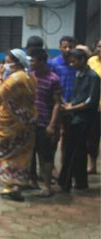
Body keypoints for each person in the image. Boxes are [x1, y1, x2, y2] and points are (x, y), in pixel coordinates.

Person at [0, 49, 37, 202]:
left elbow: (0, 94)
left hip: (10, 122)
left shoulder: (15, 78)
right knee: (21, 154)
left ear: (15, 62)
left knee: (3, 151)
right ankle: (17, 185)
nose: (5, 64)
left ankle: (10, 184)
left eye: (8, 61)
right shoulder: (30, 76)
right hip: (26, 120)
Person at [58, 49, 100, 192]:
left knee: (76, 151)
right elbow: (78, 96)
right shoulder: (78, 74)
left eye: (74, 60)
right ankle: (78, 181)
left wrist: (73, 108)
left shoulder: (93, 77)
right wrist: (69, 105)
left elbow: (91, 101)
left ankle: (69, 182)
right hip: (75, 117)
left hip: (85, 119)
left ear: (83, 60)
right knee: (77, 150)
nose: (71, 63)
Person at [28, 48, 61, 197]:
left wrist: (52, 125)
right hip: (29, 122)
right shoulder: (29, 77)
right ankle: (32, 181)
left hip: (44, 123)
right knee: (30, 153)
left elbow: (57, 104)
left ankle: (47, 185)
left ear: (41, 62)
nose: (30, 63)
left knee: (46, 155)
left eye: (33, 61)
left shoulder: (53, 79)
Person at [87, 39, 101, 174]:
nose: (100, 49)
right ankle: (93, 165)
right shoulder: (91, 61)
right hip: (94, 107)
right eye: (99, 46)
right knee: (93, 138)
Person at [49, 36, 76, 102]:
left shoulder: (76, 63)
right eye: (65, 47)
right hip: (58, 101)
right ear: (60, 48)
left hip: (74, 102)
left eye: (70, 47)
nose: (68, 49)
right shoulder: (54, 63)